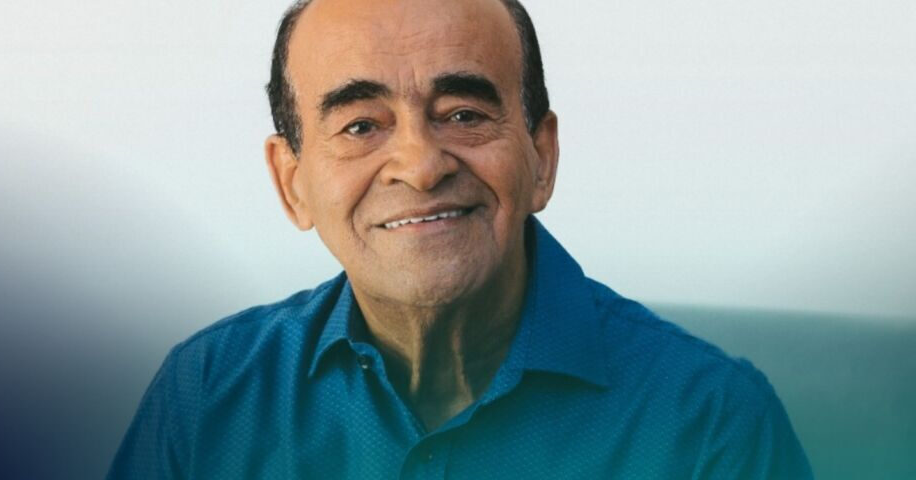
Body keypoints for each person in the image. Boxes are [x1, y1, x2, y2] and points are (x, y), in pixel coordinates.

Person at [107, 0, 812, 478]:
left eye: (464, 114)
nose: (420, 166)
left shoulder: (708, 422)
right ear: (292, 183)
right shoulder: (206, 398)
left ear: (542, 158)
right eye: (361, 126)